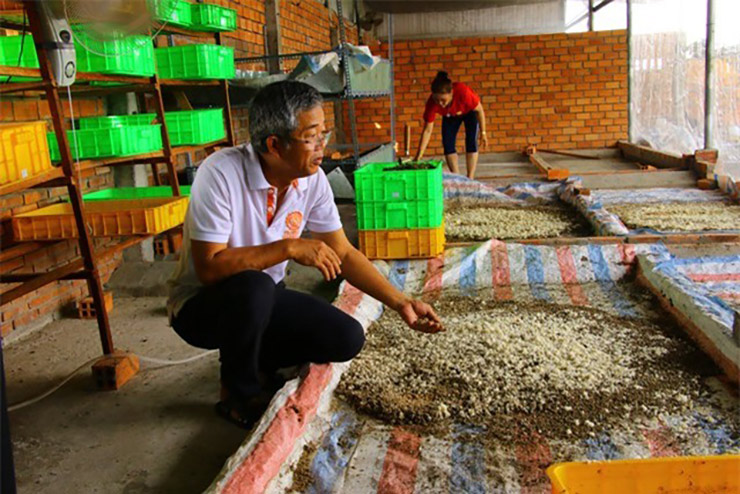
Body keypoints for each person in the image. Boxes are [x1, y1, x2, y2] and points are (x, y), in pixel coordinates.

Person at [167, 81, 444, 429]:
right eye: (312, 137)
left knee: (345, 338)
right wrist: (288, 247)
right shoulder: (220, 173)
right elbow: (209, 268)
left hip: (263, 299)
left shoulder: (311, 179)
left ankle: (257, 358)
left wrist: (400, 301)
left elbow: (342, 251)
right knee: (254, 287)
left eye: (324, 134)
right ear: (274, 145)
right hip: (202, 305)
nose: (322, 147)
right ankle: (237, 394)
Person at [414, 71, 488, 179]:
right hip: (450, 115)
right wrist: (418, 156)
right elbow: (427, 130)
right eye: (436, 100)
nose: (440, 104)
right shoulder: (432, 103)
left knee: (471, 141)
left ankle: (470, 178)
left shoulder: (463, 92)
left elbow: (480, 110)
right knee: (448, 143)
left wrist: (483, 132)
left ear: (451, 93)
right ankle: (457, 177)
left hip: (469, 112)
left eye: (443, 100)